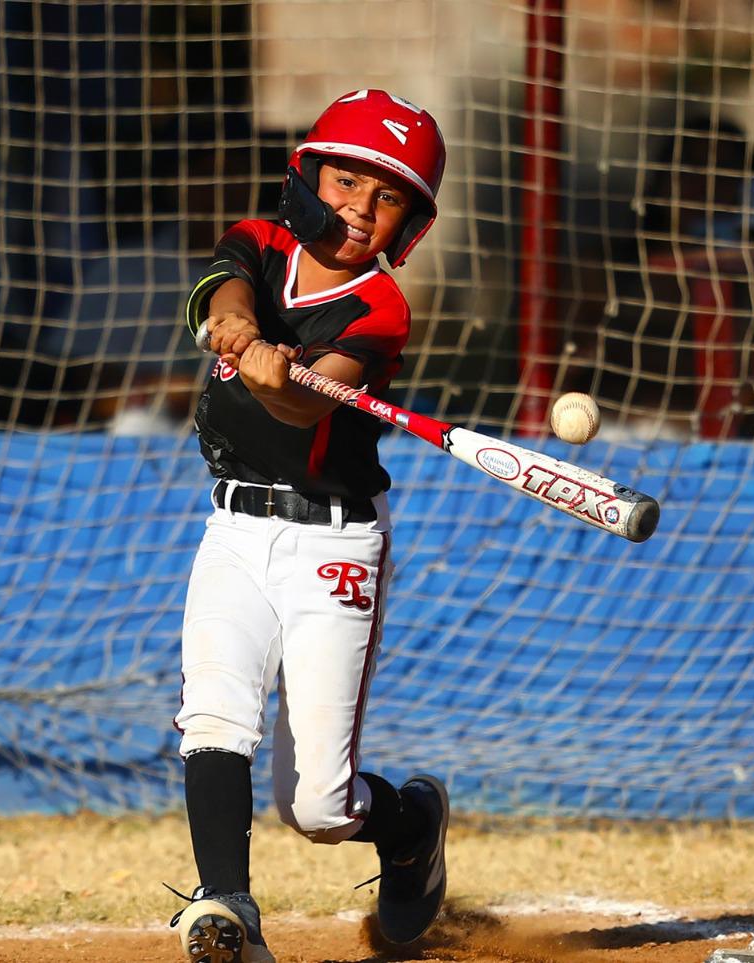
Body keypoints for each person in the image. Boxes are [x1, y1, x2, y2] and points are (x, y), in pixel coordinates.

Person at [167, 90, 452, 963]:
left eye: (389, 196)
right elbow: (224, 293)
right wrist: (242, 330)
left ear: (408, 220)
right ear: (309, 174)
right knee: (213, 714)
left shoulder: (381, 308)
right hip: (235, 528)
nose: (361, 209)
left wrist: (269, 370)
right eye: (346, 180)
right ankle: (225, 909)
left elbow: (295, 407)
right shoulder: (257, 239)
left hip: (334, 543)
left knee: (320, 808)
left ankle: (409, 827)